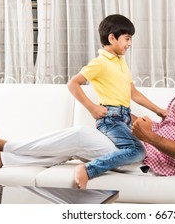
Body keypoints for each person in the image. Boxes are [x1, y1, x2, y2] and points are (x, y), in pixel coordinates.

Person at [0, 36, 175, 184]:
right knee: (77, 142)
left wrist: (149, 136)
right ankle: (2, 157)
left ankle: (5, 147)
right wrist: (133, 120)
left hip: (148, 160)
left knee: (79, 137)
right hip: (146, 148)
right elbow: (173, 128)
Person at [67, 14, 166, 188]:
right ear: (112, 38)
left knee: (151, 147)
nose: (130, 44)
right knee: (138, 151)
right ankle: (88, 169)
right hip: (111, 120)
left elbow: (132, 92)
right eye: (127, 39)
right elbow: (73, 84)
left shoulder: (121, 62)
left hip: (124, 117)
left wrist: (159, 111)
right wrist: (91, 108)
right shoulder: (100, 63)